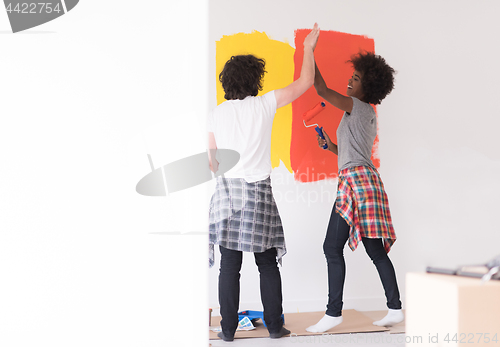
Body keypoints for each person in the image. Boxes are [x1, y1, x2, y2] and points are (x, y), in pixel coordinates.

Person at [207, 24, 320, 341]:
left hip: (227, 193)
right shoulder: (265, 104)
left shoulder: (216, 114)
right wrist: (308, 48)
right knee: (267, 264)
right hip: (258, 193)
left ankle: (227, 330)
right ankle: (274, 327)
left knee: (229, 265)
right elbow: (306, 82)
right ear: (254, 79)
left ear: (227, 81)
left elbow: (211, 161)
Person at [306, 51, 404, 332]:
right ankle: (395, 309)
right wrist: (331, 146)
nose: (350, 80)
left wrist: (310, 55)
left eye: (356, 78)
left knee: (331, 247)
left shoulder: (359, 107)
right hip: (361, 179)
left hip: (357, 182)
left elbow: (322, 89)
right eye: (352, 76)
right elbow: (354, 152)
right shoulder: (361, 113)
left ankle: (333, 313)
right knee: (374, 250)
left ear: (368, 86)